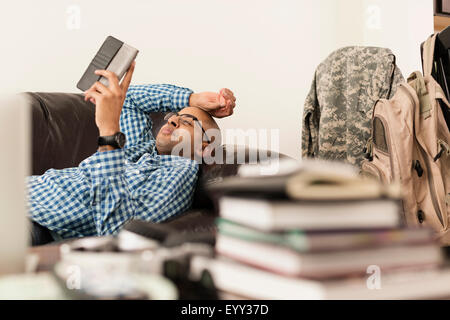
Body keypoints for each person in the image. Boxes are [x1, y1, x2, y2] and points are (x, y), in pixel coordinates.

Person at [27, 61, 236, 243]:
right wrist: (192, 100)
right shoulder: (142, 147)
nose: (171, 119)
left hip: (33, 220)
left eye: (187, 122)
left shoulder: (180, 172)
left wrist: (109, 135)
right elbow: (129, 100)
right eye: (175, 115)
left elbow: (118, 231)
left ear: (204, 146)